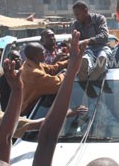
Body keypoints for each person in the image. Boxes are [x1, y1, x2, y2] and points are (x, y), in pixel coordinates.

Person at [33, 30, 88, 165]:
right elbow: (48, 135)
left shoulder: (58, 51)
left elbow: (48, 137)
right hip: (50, 100)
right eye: (48, 36)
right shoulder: (35, 66)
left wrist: (69, 63)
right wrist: (70, 73)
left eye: (53, 35)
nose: (52, 38)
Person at [20, 42, 68, 116]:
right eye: (42, 52)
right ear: (35, 56)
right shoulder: (33, 73)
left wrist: (68, 62)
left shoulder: (33, 63)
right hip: (33, 112)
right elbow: (56, 84)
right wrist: (67, 73)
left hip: (40, 106)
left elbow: (52, 69)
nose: (45, 54)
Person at [72, 1, 111, 81]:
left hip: (102, 47)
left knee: (103, 54)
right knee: (86, 56)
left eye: (77, 14)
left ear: (85, 11)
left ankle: (99, 69)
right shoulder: (75, 24)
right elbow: (76, 43)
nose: (76, 17)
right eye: (75, 15)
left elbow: (104, 36)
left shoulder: (99, 19)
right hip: (86, 49)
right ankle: (85, 69)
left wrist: (87, 41)